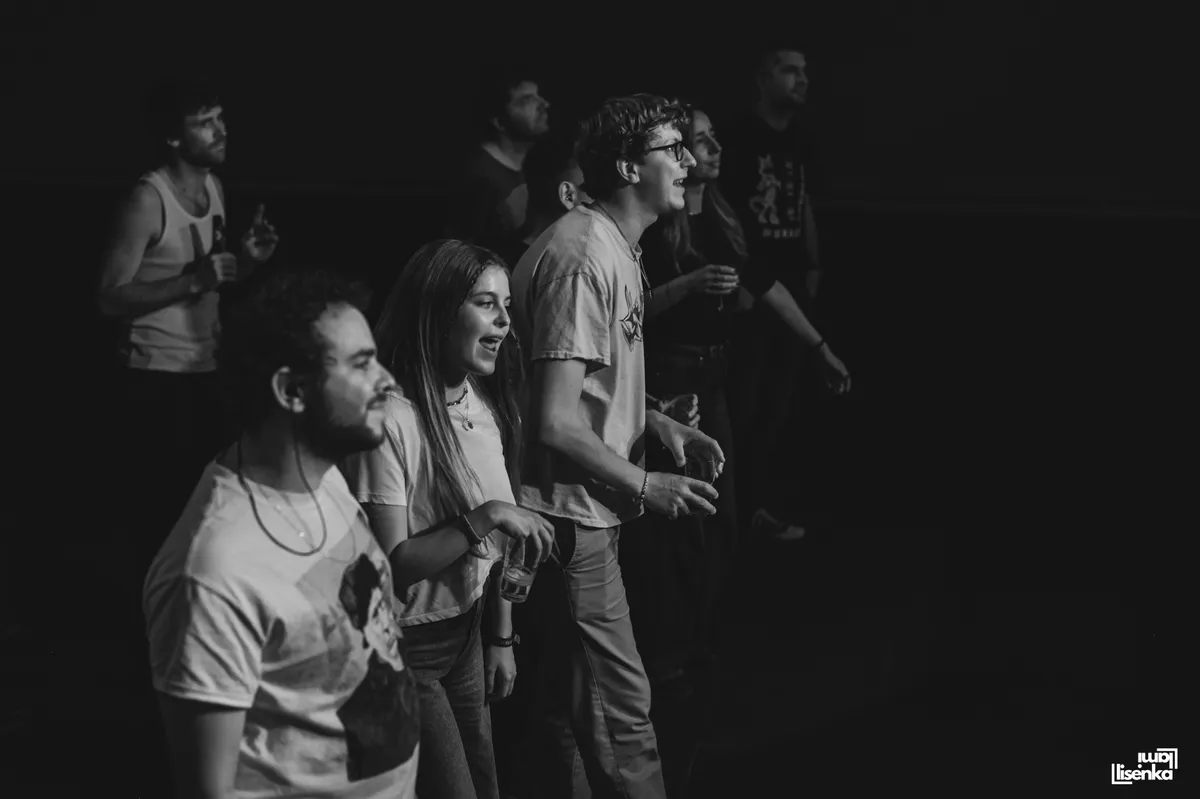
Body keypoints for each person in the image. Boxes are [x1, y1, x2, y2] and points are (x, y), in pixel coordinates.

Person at [625, 101, 851, 796]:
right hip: (670, 380)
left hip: (714, 375)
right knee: (679, 524)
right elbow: (629, 313)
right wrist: (690, 286)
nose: (713, 148)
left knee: (722, 516)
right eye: (699, 141)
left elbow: (763, 284)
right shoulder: (656, 226)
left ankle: (698, 642)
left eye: (711, 138)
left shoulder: (721, 214)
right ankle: (668, 657)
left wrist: (818, 346)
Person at [509, 93, 726, 799]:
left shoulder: (612, 245)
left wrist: (655, 421)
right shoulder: (582, 256)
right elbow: (551, 420)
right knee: (620, 713)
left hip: (580, 510)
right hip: (572, 514)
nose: (688, 161)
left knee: (566, 706)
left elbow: (583, 389)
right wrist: (646, 483)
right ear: (630, 167)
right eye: (673, 149)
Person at [142, 268, 420, 798]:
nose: (387, 380)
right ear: (292, 390)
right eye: (362, 363)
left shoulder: (324, 476)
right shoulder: (213, 571)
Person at [341, 240, 555, 799]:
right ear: (439, 313)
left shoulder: (480, 402)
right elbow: (393, 566)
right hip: (408, 647)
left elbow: (500, 546)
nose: (504, 320)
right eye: (486, 304)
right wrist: (484, 517)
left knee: (484, 785)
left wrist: (501, 636)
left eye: (506, 305)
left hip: (466, 631)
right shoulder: (391, 419)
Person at [97, 78, 279, 572]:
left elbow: (210, 284)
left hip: (203, 368)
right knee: (159, 516)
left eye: (220, 118)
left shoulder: (213, 187)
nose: (221, 130)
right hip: (153, 376)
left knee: (204, 509)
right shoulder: (148, 198)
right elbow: (109, 297)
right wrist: (193, 281)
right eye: (204, 123)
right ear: (173, 137)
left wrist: (247, 261)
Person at [720, 42, 846, 540]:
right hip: (750, 288)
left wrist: (813, 264)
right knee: (745, 404)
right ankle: (732, 513)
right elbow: (725, 209)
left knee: (779, 406)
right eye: (790, 70)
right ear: (763, 78)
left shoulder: (801, 139)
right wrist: (741, 280)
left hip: (792, 287)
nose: (802, 79)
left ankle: (758, 508)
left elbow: (804, 201)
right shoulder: (737, 136)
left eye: (804, 71)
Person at [445, 68, 551, 249]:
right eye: (527, 100)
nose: (544, 104)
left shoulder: (528, 168)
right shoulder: (479, 174)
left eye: (538, 96)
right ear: (499, 121)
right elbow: (458, 250)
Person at [490, 132, 590, 270]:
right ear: (567, 195)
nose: (602, 195)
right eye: (593, 185)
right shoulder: (567, 267)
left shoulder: (503, 258)